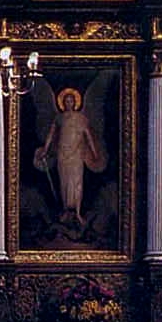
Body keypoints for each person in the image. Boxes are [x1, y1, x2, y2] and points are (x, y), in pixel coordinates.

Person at [33, 87, 107, 227]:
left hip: (77, 153)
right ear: (63, 103)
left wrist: (94, 152)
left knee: (77, 182)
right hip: (62, 153)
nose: (69, 103)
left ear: (75, 102)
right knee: (64, 182)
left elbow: (88, 136)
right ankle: (66, 211)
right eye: (66, 101)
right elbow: (51, 135)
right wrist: (45, 150)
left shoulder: (81, 118)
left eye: (71, 100)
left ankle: (78, 213)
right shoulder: (59, 118)